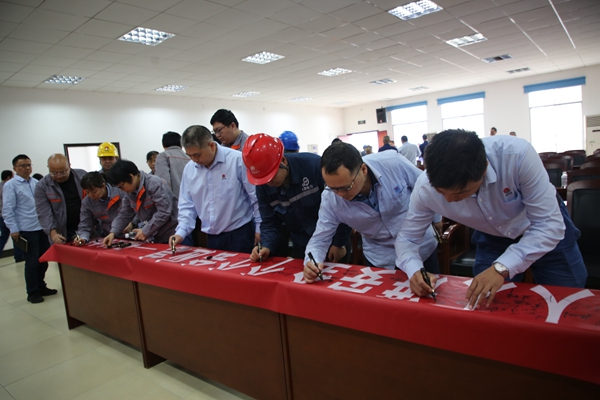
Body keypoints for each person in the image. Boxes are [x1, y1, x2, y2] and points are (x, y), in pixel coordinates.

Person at [396, 129, 587, 309]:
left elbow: (549, 225)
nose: (449, 200)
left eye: (461, 193)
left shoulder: (517, 156)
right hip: (492, 235)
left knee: (567, 301)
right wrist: (415, 270)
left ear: (484, 169)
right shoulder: (425, 188)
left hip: (545, 231)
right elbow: (407, 238)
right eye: (440, 192)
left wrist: (500, 268)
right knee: (486, 304)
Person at [303, 142, 439, 283]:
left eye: (346, 187)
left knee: (427, 291)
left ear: (363, 169)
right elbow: (320, 239)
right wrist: (312, 261)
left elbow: (428, 188)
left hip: (420, 249)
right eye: (333, 188)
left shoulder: (393, 163)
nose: (340, 194)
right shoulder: (330, 198)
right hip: (380, 258)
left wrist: (437, 219)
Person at [242, 134, 351, 262]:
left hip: (332, 241)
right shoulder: (263, 185)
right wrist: (266, 246)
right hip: (302, 244)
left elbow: (342, 206)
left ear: (283, 161)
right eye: (264, 179)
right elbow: (269, 222)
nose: (268, 183)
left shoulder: (314, 166)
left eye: (271, 176)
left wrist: (339, 243)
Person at [170, 125, 261, 253]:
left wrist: (260, 227)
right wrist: (181, 232)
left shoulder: (237, 160)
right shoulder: (190, 169)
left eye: (197, 155)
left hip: (240, 234)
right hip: (212, 236)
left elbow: (255, 196)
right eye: (190, 156)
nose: (194, 160)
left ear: (211, 146)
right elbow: (187, 204)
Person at [2, 155, 57, 303]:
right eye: (23, 165)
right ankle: (32, 292)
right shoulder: (11, 185)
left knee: (43, 260)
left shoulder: (36, 183)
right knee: (32, 262)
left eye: (28, 165)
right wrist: (13, 229)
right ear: (15, 168)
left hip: (42, 228)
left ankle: (41, 286)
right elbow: (8, 209)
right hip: (26, 229)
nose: (27, 168)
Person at [104, 160, 178, 245]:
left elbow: (163, 212)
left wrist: (145, 230)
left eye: (122, 186)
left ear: (131, 177)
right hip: (155, 235)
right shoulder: (130, 192)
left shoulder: (155, 184)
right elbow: (125, 214)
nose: (121, 190)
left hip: (172, 233)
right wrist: (113, 232)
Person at [35, 154, 86, 244]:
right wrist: (53, 233)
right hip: (61, 231)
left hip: (87, 227)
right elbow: (44, 213)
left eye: (63, 172)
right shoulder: (42, 186)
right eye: (54, 173)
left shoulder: (82, 176)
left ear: (69, 166)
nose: (59, 176)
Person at [74, 172, 129, 246]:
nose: (91, 195)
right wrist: (83, 237)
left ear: (103, 186)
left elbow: (134, 211)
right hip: (109, 237)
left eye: (94, 192)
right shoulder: (87, 202)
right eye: (87, 192)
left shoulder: (121, 191)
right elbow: (85, 224)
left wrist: (132, 223)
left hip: (130, 234)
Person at [154, 131, 190, 199]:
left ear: (163, 145)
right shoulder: (189, 157)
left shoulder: (163, 156)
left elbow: (164, 182)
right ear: (181, 144)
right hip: (191, 199)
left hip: (175, 200)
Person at [0, 170, 24, 262]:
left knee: (3, 237)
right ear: (8, 177)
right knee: (16, 236)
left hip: (2, 216)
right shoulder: (9, 186)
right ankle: (18, 256)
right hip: (10, 216)